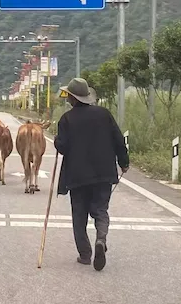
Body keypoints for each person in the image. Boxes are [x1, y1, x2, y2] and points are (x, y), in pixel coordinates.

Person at [54, 77, 129, 271]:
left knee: (79, 215)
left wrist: (56, 140)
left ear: (72, 97)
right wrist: (124, 162)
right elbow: (119, 140)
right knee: (100, 211)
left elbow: (62, 147)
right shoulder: (104, 114)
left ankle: (85, 255)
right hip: (103, 174)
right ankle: (101, 240)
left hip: (77, 177)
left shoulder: (66, 119)